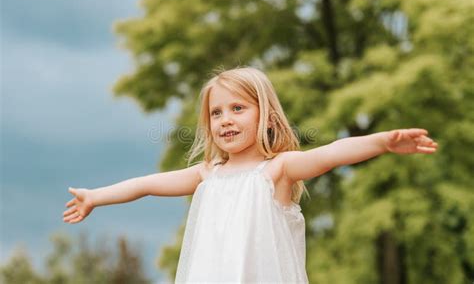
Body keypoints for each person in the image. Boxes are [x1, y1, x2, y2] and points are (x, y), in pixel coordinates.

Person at [63, 67, 438, 283]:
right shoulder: (207, 174)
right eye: (216, 113)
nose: (225, 119)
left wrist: (383, 142)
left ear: (266, 116)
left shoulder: (277, 170)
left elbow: (330, 154)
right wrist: (97, 196)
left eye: (238, 108)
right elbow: (145, 185)